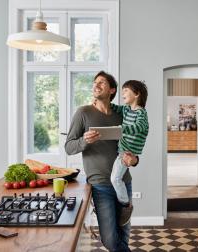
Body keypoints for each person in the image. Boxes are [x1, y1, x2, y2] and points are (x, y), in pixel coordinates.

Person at [64, 71, 138, 252]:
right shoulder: (83, 113)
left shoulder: (121, 114)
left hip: (124, 182)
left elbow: (132, 147)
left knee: (123, 236)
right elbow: (69, 147)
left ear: (112, 90)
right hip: (100, 186)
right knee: (111, 240)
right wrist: (85, 141)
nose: (96, 85)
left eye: (102, 83)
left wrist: (134, 160)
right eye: (95, 82)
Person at [110, 80, 149, 226]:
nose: (123, 93)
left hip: (128, 152)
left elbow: (139, 127)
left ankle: (126, 205)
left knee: (115, 179)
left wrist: (121, 129)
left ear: (137, 94)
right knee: (116, 178)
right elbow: (115, 108)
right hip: (123, 149)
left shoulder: (141, 113)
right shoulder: (126, 109)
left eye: (126, 90)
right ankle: (124, 203)